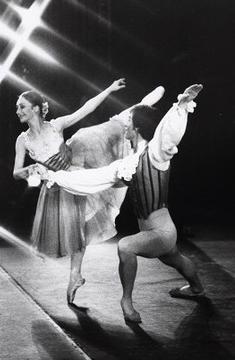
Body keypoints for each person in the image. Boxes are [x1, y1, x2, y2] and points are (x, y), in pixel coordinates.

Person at [37, 84, 205, 321]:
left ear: (135, 128)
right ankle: (197, 288)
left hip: (162, 232)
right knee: (174, 259)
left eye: (129, 123)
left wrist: (181, 106)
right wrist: (54, 177)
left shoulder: (156, 154)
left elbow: (168, 133)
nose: (125, 124)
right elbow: (89, 179)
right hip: (155, 235)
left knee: (126, 246)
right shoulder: (127, 164)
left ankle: (126, 302)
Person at [13, 80, 164, 303]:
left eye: (22, 106)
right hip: (56, 187)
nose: (18, 112)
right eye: (18, 107)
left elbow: (87, 109)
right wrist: (31, 169)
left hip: (76, 173)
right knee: (76, 232)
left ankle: (138, 109)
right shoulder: (23, 140)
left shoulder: (55, 125)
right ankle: (76, 275)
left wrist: (109, 89)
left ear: (35, 108)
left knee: (107, 132)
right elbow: (16, 173)